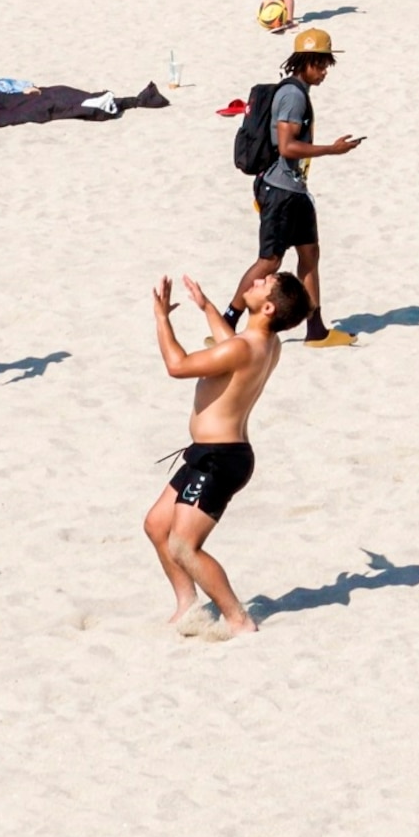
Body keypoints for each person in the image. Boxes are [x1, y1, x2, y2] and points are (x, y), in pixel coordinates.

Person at [145, 269, 304, 639]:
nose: (256, 281)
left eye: (264, 284)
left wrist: (161, 319)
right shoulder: (266, 344)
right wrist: (207, 307)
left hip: (220, 459)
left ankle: (238, 619)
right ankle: (188, 604)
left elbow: (177, 365)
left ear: (266, 307)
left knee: (184, 545)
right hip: (208, 453)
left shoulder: (243, 348)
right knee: (156, 525)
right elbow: (231, 345)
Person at [257, 29, 359, 347]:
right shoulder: (293, 96)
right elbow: (287, 147)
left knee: (310, 254)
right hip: (280, 190)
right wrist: (332, 149)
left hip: (296, 190)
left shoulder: (300, 92)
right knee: (270, 261)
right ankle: (228, 321)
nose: (325, 70)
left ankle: (316, 330)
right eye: (322, 63)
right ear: (308, 62)